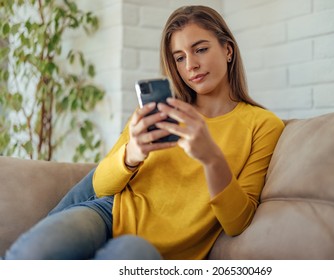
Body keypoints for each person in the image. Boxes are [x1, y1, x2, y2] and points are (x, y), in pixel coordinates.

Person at [4, 5, 284, 260]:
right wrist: (131, 154)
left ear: (228, 50)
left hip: (155, 251)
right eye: (179, 57)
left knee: (129, 255)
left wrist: (212, 159)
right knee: (33, 252)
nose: (191, 66)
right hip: (108, 214)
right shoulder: (161, 111)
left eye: (200, 49)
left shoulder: (262, 125)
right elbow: (101, 186)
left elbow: (238, 222)